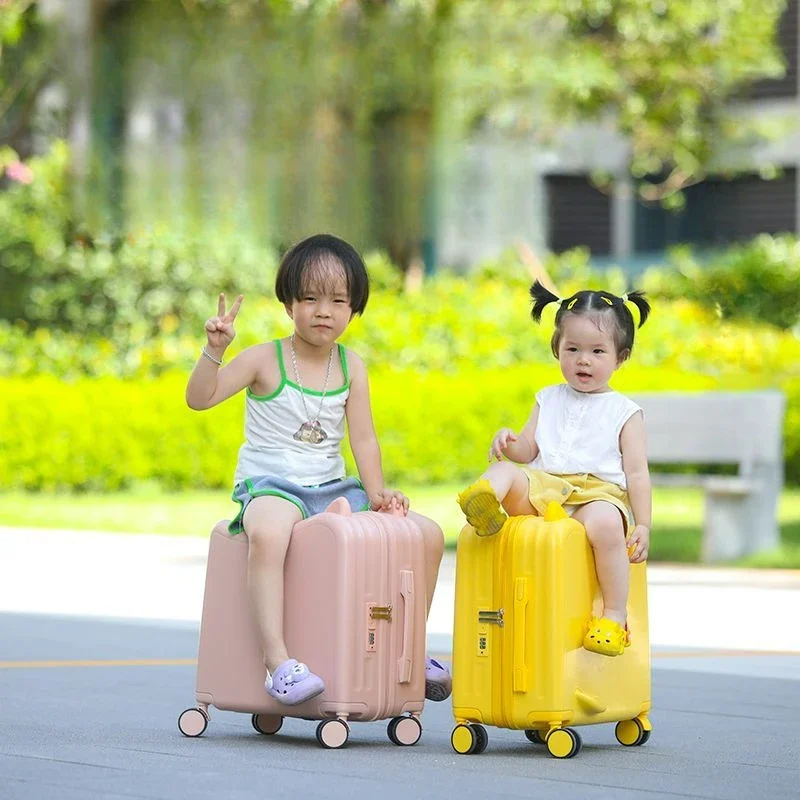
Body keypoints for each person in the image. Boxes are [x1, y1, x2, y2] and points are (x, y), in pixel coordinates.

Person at [186, 233, 451, 704]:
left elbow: (363, 438)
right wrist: (215, 349)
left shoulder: (353, 367)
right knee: (268, 532)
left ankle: (410, 649)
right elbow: (199, 399)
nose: (323, 311)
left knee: (423, 533)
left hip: (332, 486)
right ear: (289, 304)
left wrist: (379, 494)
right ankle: (278, 664)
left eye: (337, 300)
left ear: (354, 309)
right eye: (309, 298)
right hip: (271, 486)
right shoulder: (264, 358)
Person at [457, 281, 652, 657]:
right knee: (506, 473)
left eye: (597, 351)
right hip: (545, 488)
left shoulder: (625, 412)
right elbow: (529, 449)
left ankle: (612, 616)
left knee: (608, 526)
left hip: (595, 496)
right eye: (573, 349)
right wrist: (510, 442)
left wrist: (642, 523)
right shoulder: (547, 398)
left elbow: (637, 474)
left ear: (620, 357)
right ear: (557, 349)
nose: (583, 360)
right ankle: (485, 506)